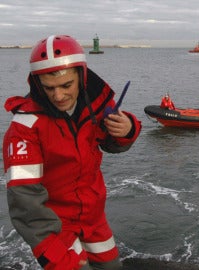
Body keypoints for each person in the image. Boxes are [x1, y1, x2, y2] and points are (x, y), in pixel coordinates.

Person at [2, 35, 142, 270]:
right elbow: (25, 203)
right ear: (37, 84)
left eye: (66, 85)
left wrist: (127, 128)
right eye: (49, 88)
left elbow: (112, 144)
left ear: (81, 77)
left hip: (94, 219)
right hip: (55, 225)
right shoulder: (24, 129)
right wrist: (56, 256)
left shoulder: (95, 105)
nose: (58, 96)